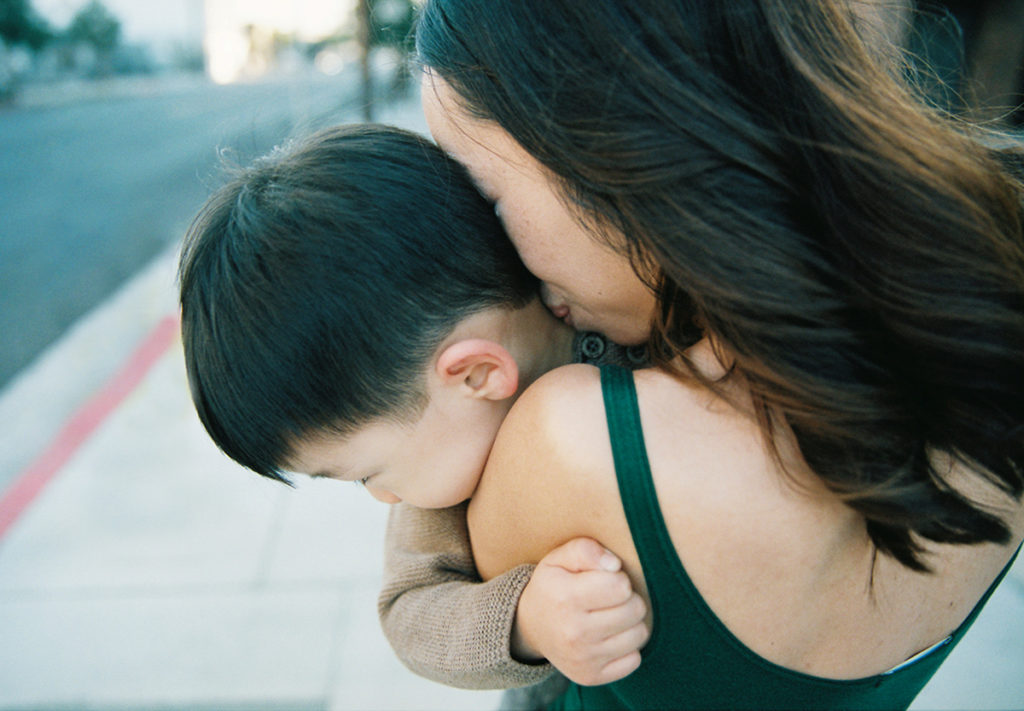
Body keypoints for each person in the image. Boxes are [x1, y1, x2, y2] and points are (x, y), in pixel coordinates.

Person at [414, 0, 1024, 708]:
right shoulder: (994, 317)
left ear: (614, 145)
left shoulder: (574, 441)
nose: (499, 261)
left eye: (487, 201)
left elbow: (433, 582)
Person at [176, 123, 651, 703]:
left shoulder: (631, 326)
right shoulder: (449, 491)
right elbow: (410, 611)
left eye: (368, 474)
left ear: (475, 376)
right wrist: (527, 622)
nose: (385, 498)